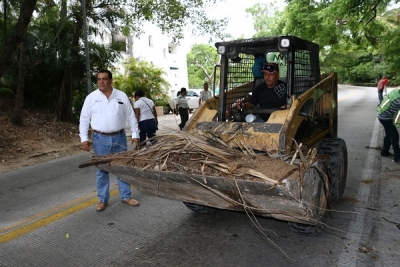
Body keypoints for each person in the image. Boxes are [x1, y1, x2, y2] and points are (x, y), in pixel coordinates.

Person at [79, 70, 140, 212]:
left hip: (119, 137)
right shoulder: (91, 98)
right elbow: (84, 119)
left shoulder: (121, 96)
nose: (101, 82)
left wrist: (135, 133)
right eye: (99, 79)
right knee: (102, 170)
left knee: (121, 167)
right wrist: (84, 139)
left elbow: (131, 116)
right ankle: (102, 200)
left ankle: (126, 196)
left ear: (111, 80)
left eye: (104, 79)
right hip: (100, 139)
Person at [377, 89, 400, 163]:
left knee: (389, 134)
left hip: (381, 114)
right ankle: (397, 156)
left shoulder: (395, 92)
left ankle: (384, 152)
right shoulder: (398, 100)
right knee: (394, 136)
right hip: (386, 118)